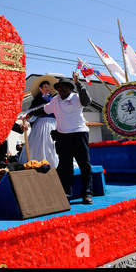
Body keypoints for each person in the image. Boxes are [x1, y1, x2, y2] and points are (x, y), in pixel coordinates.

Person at [26, 72, 93, 204]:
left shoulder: (77, 98)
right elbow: (43, 110)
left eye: (64, 86)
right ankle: (66, 194)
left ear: (70, 88)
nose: (61, 89)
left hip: (79, 135)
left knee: (84, 165)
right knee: (64, 167)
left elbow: (87, 101)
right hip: (63, 137)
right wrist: (30, 114)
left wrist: (78, 83)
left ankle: (87, 194)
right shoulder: (55, 101)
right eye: (58, 87)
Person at [19, 75, 59, 168]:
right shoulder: (37, 100)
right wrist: (26, 119)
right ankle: (39, 163)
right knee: (40, 144)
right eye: (45, 87)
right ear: (40, 88)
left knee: (53, 144)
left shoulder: (54, 99)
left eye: (48, 87)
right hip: (41, 124)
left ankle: (55, 164)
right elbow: (30, 114)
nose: (47, 89)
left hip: (54, 123)